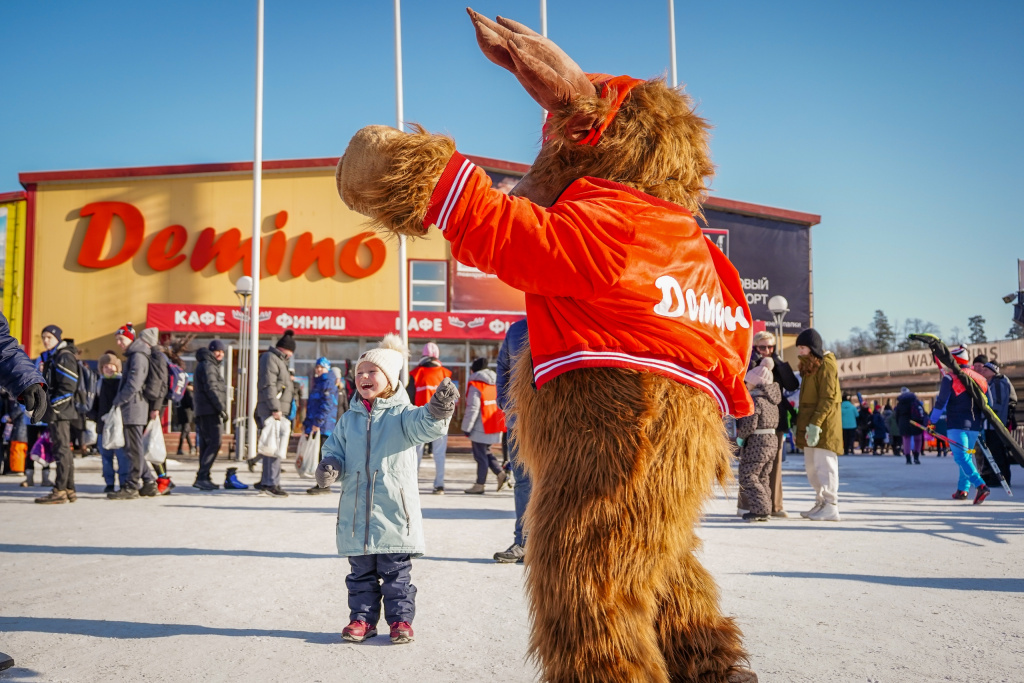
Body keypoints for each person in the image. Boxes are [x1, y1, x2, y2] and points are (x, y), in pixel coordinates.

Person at [313, 334, 458, 645]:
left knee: (397, 577)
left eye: (372, 372)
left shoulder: (402, 415)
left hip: (394, 513)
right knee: (360, 576)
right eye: (360, 373)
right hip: (356, 516)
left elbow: (425, 424)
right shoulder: (348, 420)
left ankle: (400, 621)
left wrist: (437, 410)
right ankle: (362, 621)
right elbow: (333, 449)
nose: (364, 377)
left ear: (390, 378)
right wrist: (330, 466)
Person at [745, 330, 798, 518]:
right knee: (750, 465)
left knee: (773, 465)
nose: (766, 350)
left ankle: (775, 505)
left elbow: (792, 385)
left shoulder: (777, 364)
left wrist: (779, 362)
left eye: (770, 347)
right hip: (753, 418)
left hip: (776, 419)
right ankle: (747, 505)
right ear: (755, 347)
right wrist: (755, 362)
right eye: (762, 347)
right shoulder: (751, 363)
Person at [929, 345, 990, 503]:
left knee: (961, 457)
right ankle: (962, 490)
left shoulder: (950, 378)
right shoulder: (980, 379)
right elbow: (988, 403)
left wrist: (932, 421)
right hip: (975, 425)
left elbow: (941, 402)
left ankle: (981, 485)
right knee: (967, 456)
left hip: (956, 424)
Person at [793, 328, 842, 521]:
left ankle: (831, 504)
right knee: (812, 467)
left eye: (803, 347)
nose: (800, 351)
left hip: (824, 425)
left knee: (825, 465)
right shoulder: (809, 365)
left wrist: (816, 424)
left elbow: (828, 397)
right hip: (810, 423)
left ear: (813, 348)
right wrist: (802, 424)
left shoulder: (827, 365)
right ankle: (821, 501)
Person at [107, 323, 158, 500]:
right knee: (133, 448)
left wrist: (118, 400)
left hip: (134, 408)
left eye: (121, 339)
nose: (119, 343)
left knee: (134, 449)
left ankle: (131, 485)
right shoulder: (135, 354)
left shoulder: (138, 355)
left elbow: (134, 383)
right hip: (133, 407)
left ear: (131, 338)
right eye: (117, 340)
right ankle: (149, 482)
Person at [494, 319, 530, 562]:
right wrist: (505, 404)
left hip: (558, 422)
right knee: (523, 482)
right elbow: (502, 368)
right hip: (519, 420)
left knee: (560, 484)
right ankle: (523, 543)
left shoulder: (562, 321)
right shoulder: (517, 330)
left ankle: (555, 546)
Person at [34, 325, 82, 504]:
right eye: (43, 337)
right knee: (63, 451)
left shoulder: (63, 356)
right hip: (59, 411)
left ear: (58, 339)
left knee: (61, 451)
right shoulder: (55, 356)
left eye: (49, 337)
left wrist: (53, 406)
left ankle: (60, 489)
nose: (46, 340)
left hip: (60, 411)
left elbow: (68, 386)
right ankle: (69, 488)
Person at [736, 358, 781, 523]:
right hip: (771, 441)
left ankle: (761, 509)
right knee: (762, 477)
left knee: (748, 475)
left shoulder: (755, 402)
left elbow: (750, 424)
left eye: (748, 382)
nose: (746, 385)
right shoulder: (772, 402)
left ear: (756, 383)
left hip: (757, 442)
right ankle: (764, 508)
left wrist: (741, 438)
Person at [254, 330, 295, 496]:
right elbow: (268, 385)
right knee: (273, 447)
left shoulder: (278, 360)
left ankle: (266, 481)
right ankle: (271, 483)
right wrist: (275, 408)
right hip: (273, 410)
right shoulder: (270, 359)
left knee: (271, 447)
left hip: (276, 409)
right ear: (286, 349)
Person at [408, 342, 452, 494]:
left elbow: (409, 399)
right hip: (441, 419)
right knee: (439, 454)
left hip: (420, 419)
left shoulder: (416, 373)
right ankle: (439, 485)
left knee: (416, 454)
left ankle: (413, 483)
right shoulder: (445, 374)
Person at [194, 340, 238, 490]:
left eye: (223, 351)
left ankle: (204, 477)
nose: (220, 354)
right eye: (217, 351)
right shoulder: (208, 365)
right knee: (214, 442)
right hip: (209, 410)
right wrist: (221, 408)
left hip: (206, 410)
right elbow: (212, 388)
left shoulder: (208, 364)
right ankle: (202, 476)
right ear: (211, 351)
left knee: (207, 444)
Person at [462, 357, 506, 494]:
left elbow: (473, 408)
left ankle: (480, 484)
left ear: (473, 369)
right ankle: (501, 474)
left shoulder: (476, 385)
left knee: (480, 456)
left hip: (480, 427)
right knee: (486, 453)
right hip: (494, 424)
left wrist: (466, 428)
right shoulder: (495, 383)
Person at [88, 352, 130, 493]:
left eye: (111, 365)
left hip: (119, 427)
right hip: (103, 427)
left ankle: (124, 482)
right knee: (106, 458)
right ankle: (109, 483)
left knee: (122, 457)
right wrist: (96, 417)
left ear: (117, 367)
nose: (109, 368)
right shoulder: (98, 384)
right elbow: (92, 405)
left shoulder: (122, 383)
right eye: (105, 366)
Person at [977, 361, 1016, 486]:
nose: (982, 371)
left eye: (985, 370)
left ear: (993, 371)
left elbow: (997, 404)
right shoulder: (991, 382)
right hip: (989, 424)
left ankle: (1001, 478)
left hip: (995, 423)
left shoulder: (999, 382)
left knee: (997, 451)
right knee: (991, 452)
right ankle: (992, 475)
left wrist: (985, 412)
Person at [303, 357, 339, 495]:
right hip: (317, 425)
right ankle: (321, 483)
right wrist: (307, 424)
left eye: (321, 367)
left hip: (324, 426)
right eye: (317, 367)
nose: (318, 369)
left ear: (327, 368)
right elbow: (313, 406)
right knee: (318, 456)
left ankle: (324, 485)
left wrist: (317, 423)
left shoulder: (327, 381)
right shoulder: (318, 381)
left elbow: (327, 405)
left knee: (322, 457)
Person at [894, 387, 925, 464]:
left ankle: (908, 459)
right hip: (916, 421)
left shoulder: (900, 403)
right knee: (918, 439)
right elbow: (922, 412)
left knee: (906, 440)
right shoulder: (915, 401)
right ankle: (916, 457)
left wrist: (899, 424)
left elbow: (897, 415)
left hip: (903, 422)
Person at [173, 382, 195, 455]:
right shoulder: (188, 392)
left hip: (182, 413)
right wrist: (195, 409)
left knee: (186, 431)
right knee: (184, 431)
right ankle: (180, 448)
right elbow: (191, 402)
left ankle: (191, 447)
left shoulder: (182, 392)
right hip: (187, 414)